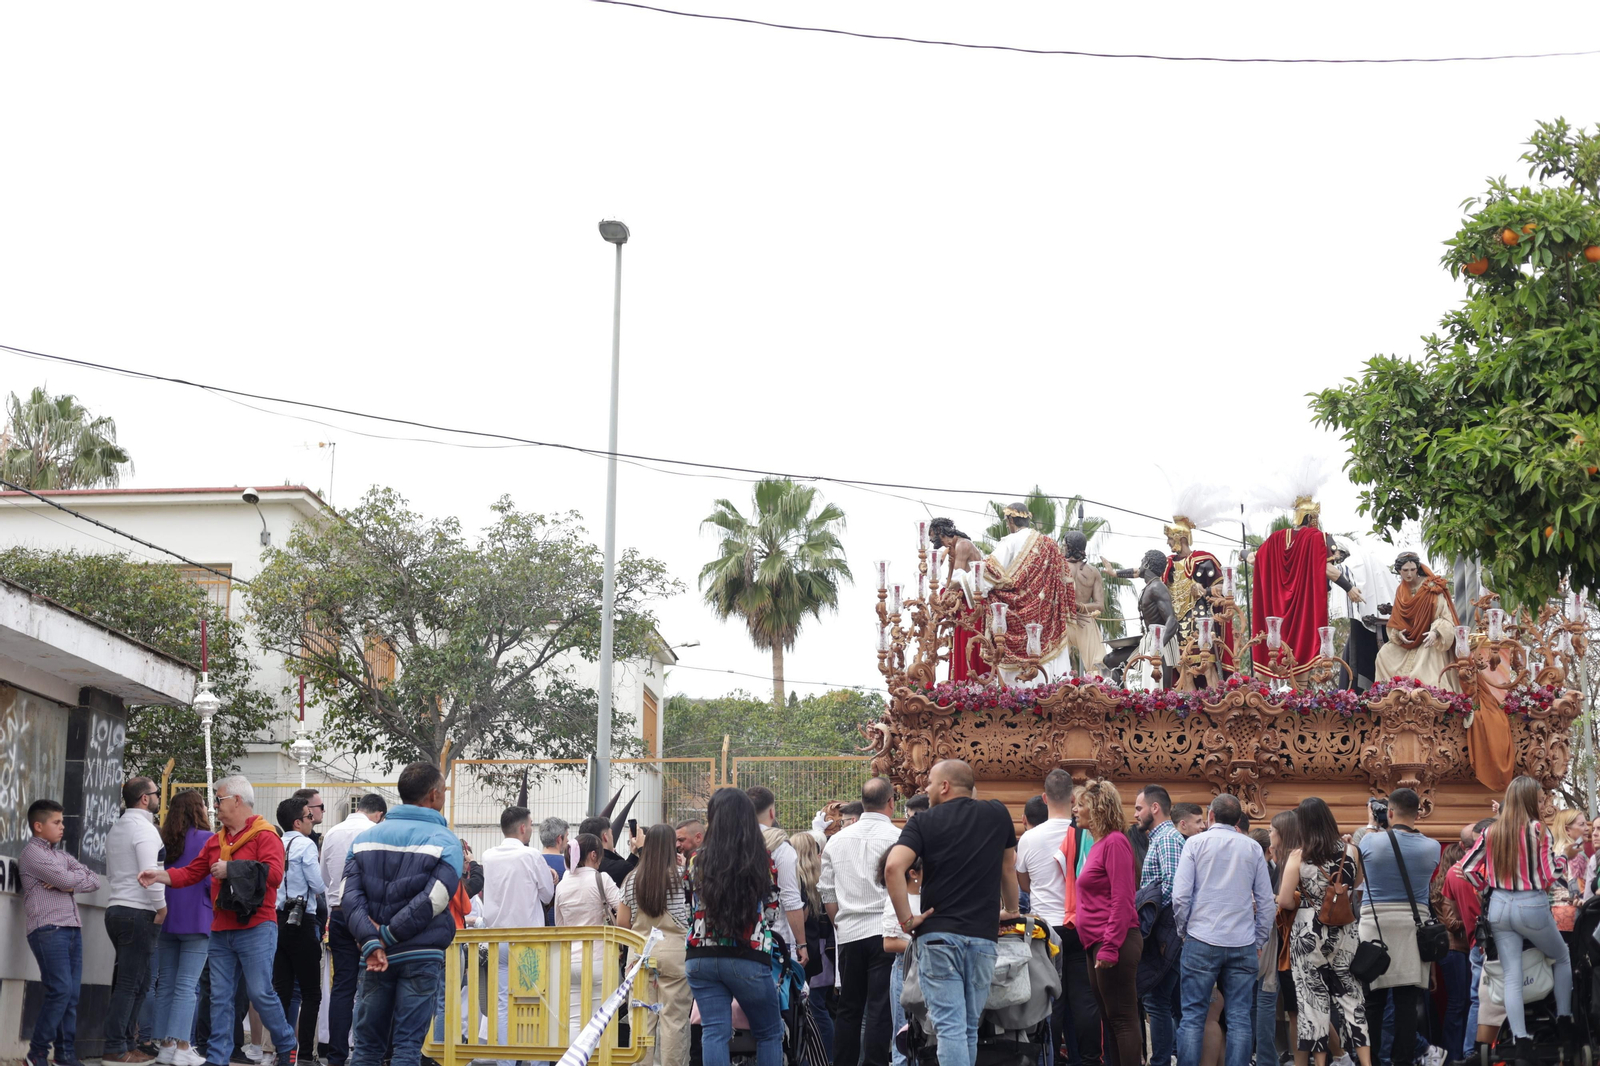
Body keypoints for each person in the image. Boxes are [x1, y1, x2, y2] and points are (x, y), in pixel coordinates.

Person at [139, 776, 296, 1066]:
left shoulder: (266, 835)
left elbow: (274, 876)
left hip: (257, 926)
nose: (215, 805)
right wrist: (159, 875)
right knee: (220, 998)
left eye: (219, 799)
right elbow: (191, 872)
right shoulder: (216, 840)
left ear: (237, 800)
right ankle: (217, 1057)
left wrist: (231, 869)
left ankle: (286, 1042)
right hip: (222, 928)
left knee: (259, 992)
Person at [885, 759, 1020, 1066]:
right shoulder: (998, 813)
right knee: (968, 1027)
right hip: (983, 938)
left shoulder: (923, 822)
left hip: (938, 937)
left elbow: (893, 867)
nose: (927, 789)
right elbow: (1007, 867)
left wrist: (907, 920)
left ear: (944, 786)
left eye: (930, 783)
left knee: (949, 1028)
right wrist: (1011, 909)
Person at [339, 763, 463, 1066]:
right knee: (407, 1047)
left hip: (373, 958)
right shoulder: (447, 842)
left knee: (366, 1047)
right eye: (444, 790)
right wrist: (388, 934)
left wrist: (372, 941)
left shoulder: (364, 840)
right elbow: (435, 899)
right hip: (420, 955)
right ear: (433, 795)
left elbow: (349, 898)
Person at [1460, 775, 1577, 1066]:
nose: (1543, 803)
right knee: (1561, 956)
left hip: (1499, 905)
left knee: (1511, 974)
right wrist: (1562, 857)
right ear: (1527, 800)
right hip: (1531, 904)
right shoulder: (1539, 830)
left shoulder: (1492, 831)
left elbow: (1468, 869)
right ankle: (1564, 1019)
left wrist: (1488, 886)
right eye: (1539, 798)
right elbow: (1551, 875)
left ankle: (1521, 1040)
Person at [685, 788, 788, 1066]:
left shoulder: (696, 860)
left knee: (714, 1032)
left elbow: (689, 909)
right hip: (747, 956)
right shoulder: (762, 859)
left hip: (700, 958)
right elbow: (770, 912)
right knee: (769, 1032)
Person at [1173, 794, 1275, 1066]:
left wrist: (1184, 931)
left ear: (1210, 816)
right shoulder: (1253, 848)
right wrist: (1259, 939)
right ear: (1238, 819)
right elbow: (1266, 902)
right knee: (1240, 1017)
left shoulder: (1195, 843)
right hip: (1242, 941)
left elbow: (1181, 896)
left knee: (1193, 1016)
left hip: (1201, 938)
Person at [1017, 770, 1101, 1066]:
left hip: (1045, 929)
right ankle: (1089, 1060)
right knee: (1085, 1000)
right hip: (1082, 925)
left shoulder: (1028, 838)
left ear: (1044, 798)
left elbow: (1023, 884)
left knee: (1049, 1002)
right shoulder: (1088, 833)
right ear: (1073, 799)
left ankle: (1047, 1059)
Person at [1277, 798, 1369, 1066]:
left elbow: (1284, 900)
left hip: (1309, 931)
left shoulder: (1298, 855)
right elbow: (1358, 882)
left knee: (1312, 1001)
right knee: (1353, 999)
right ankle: (1365, 1062)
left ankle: (1320, 1063)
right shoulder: (1351, 850)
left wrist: (1302, 900)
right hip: (1345, 930)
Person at [819, 776, 902, 1066]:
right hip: (887, 932)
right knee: (881, 1008)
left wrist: (840, 924)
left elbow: (827, 892)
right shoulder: (899, 839)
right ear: (892, 802)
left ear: (863, 804)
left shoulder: (836, 841)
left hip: (850, 932)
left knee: (849, 1008)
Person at [1357, 788, 1442, 1066]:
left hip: (1375, 925)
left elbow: (1359, 872)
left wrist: (1372, 823)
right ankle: (1403, 1061)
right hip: (1411, 925)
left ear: (1389, 812)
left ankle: (1369, 1062)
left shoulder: (1370, 841)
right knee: (1406, 1003)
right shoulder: (1433, 848)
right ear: (1418, 813)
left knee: (1373, 1002)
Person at [954, 502, 1077, 686]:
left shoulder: (1011, 541)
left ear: (1011, 520)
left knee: (1017, 692)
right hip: (1049, 624)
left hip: (1016, 622)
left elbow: (989, 572)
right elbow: (1065, 582)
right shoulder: (1050, 545)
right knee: (1052, 680)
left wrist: (959, 579)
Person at [20, 798, 101, 1066]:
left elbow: (94, 879)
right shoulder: (33, 853)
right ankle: (37, 1054)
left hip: (72, 928)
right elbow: (70, 879)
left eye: (62, 821)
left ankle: (65, 1056)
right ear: (38, 826)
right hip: (49, 929)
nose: (62, 826)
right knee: (60, 991)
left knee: (71, 995)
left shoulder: (61, 855)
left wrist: (66, 884)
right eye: (57, 822)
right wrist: (67, 881)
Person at [479, 805, 557, 1062]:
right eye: (531, 825)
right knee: (533, 1001)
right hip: (528, 942)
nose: (532, 830)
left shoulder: (488, 855)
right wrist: (551, 878)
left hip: (497, 939)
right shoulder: (531, 856)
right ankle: (535, 1060)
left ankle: (506, 1061)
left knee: (502, 1004)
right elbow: (547, 894)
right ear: (523, 827)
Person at [1076, 779, 1143, 1066]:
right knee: (1110, 1018)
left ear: (1097, 808)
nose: (1076, 810)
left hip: (1114, 940)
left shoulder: (1115, 842)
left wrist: (1110, 946)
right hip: (1098, 941)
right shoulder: (1098, 844)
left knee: (1123, 1019)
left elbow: (1123, 898)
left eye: (1081, 805)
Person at [317, 793, 386, 1066]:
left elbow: (324, 877)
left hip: (338, 914)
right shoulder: (376, 832)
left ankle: (336, 1055)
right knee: (374, 984)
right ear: (379, 814)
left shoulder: (332, 832)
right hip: (369, 915)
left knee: (342, 986)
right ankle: (367, 1053)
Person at [104, 777, 168, 1064]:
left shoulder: (118, 828)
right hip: (137, 911)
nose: (158, 798)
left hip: (117, 908)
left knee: (135, 983)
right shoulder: (145, 830)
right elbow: (149, 874)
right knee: (131, 983)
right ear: (145, 798)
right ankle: (117, 1047)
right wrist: (162, 908)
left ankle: (126, 1044)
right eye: (156, 793)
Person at [619, 824, 692, 1066]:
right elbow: (691, 914)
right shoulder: (682, 876)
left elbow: (622, 923)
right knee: (674, 1022)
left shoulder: (631, 878)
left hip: (640, 956)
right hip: (675, 955)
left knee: (642, 1021)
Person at [152, 790, 212, 1066]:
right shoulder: (208, 839)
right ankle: (183, 1046)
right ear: (199, 810)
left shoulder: (164, 839)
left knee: (165, 983)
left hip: (165, 916)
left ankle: (165, 1045)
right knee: (188, 985)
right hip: (198, 917)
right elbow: (213, 881)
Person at [1249, 493, 1330, 681]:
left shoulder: (1275, 539)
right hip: (1304, 614)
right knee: (1299, 677)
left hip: (1273, 614)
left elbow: (1253, 557)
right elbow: (1328, 569)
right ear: (1311, 518)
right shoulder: (1316, 538)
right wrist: (1349, 588)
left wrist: (1244, 554)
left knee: (1263, 683)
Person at [271, 796, 326, 1066]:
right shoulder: (305, 844)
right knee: (310, 993)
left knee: (281, 989)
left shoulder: (275, 843)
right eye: (309, 816)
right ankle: (305, 1055)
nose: (312, 820)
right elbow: (317, 884)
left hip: (277, 919)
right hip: (303, 920)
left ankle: (281, 1052)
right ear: (297, 822)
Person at [554, 833, 623, 1041]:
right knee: (600, 1020)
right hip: (599, 959)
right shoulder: (600, 878)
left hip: (570, 962)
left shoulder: (562, 886)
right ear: (593, 855)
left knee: (575, 1020)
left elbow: (560, 925)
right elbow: (623, 909)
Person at [1137, 785, 1185, 1066]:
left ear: (1155, 808)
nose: (1136, 814)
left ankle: (1161, 1062)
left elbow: (1174, 888)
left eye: (1139, 808)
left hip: (1165, 931)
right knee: (1168, 1002)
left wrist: (1149, 919)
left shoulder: (1166, 839)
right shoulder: (1161, 838)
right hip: (1166, 931)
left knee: (1157, 1001)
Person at [1374, 553, 1462, 691]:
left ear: (1417, 568)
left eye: (1412, 569)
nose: (1409, 574)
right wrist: (1398, 633)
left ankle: (1430, 698)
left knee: (1426, 658)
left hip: (1429, 639)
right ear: (1399, 571)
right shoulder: (1401, 590)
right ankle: (1390, 694)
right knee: (1384, 654)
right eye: (1405, 570)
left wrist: (1436, 632)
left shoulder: (1432, 587)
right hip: (1408, 640)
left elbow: (1446, 618)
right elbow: (1397, 619)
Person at [1445, 817, 1494, 1061]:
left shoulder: (1454, 872)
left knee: (1477, 999)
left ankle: (1470, 1051)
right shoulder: (1486, 869)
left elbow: (1451, 909)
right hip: (1493, 940)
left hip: (1475, 941)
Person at [745, 786, 809, 967]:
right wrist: (801, 943)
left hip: (734, 937)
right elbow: (790, 898)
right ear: (772, 812)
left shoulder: (731, 842)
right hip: (773, 936)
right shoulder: (780, 847)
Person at [790, 833, 837, 1061]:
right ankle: (824, 1056)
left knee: (812, 1007)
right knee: (819, 1006)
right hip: (825, 951)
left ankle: (823, 1057)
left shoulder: (794, 879)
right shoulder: (822, 876)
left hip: (807, 950)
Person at [878, 848, 922, 1066]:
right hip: (905, 970)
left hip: (928, 968)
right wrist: (920, 946)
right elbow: (888, 943)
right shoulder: (896, 899)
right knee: (903, 1037)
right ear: (914, 873)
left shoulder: (929, 895)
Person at [930, 516, 985, 681]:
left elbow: (957, 580)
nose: (931, 539)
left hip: (971, 604)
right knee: (959, 645)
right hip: (962, 605)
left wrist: (940, 594)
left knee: (969, 645)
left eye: (932, 534)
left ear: (940, 531)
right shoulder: (954, 547)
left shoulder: (962, 545)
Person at [1268, 811, 1302, 1066]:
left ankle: (1340, 1055)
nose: (1269, 834)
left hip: (1291, 944)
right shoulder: (1285, 861)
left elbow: (1286, 900)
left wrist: (1272, 900)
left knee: (1297, 1011)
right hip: (1288, 942)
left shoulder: (1292, 862)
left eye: (1272, 829)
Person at [1431, 842, 1470, 1066]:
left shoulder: (1440, 884)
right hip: (1454, 947)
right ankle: (1453, 1055)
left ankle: (1454, 1052)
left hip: (1453, 949)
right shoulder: (1450, 883)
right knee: (1458, 1003)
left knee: (1460, 1002)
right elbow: (1452, 923)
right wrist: (1474, 919)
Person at [1061, 529, 1108, 675]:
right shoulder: (1093, 572)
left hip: (1062, 621)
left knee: (1055, 665)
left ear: (1069, 547)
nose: (1062, 548)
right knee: (1098, 665)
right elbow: (1100, 605)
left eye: (1063, 545)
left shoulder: (1058, 569)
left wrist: (1073, 609)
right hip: (1085, 621)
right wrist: (1080, 608)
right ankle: (1099, 693)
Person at [579, 814, 641, 889]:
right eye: (611, 834)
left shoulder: (576, 868)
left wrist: (633, 854)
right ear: (605, 837)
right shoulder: (620, 868)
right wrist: (642, 848)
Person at [538, 815, 570, 924]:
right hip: (561, 931)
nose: (568, 841)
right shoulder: (569, 866)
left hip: (536, 930)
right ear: (559, 839)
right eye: (566, 837)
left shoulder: (532, 864)